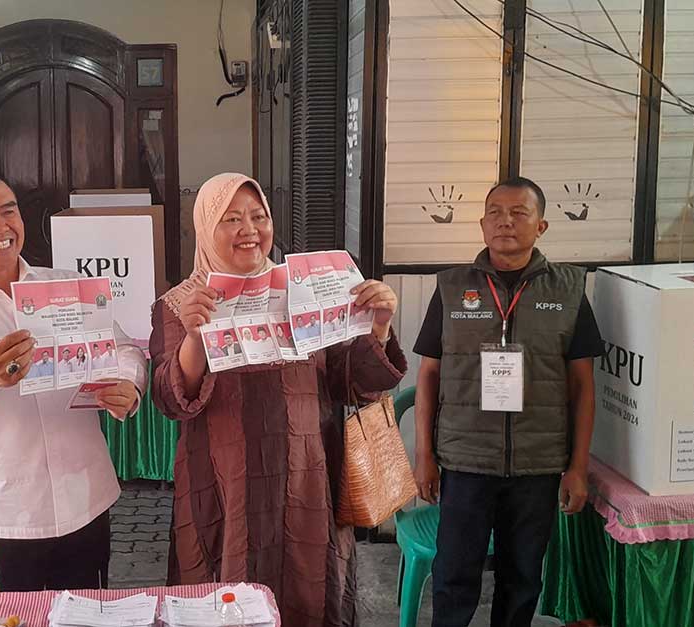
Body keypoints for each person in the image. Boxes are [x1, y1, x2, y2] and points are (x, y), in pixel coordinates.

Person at [150, 172, 408, 627]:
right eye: (231, 218)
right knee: (222, 597)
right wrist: (195, 336)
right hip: (220, 484)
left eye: (258, 216)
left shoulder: (306, 293)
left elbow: (354, 382)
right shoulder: (179, 304)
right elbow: (172, 400)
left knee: (309, 592)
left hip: (307, 478)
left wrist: (379, 327)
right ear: (206, 230)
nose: (249, 229)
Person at [0, 168, 147, 592]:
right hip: (7, 516)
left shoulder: (68, 288)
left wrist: (129, 385)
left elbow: (127, 350)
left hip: (86, 499)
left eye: (9, 211)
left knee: (84, 619)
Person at [412, 177, 603, 627]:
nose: (506, 221)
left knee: (522, 579)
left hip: (537, 466)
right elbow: (429, 376)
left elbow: (582, 387)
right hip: (464, 462)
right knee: (454, 576)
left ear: (541, 226)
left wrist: (576, 467)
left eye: (519, 213)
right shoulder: (451, 288)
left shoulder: (569, 290)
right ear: (482, 224)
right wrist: (423, 455)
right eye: (496, 212)